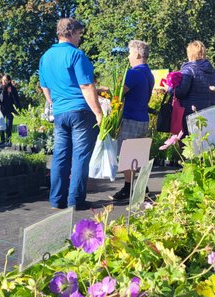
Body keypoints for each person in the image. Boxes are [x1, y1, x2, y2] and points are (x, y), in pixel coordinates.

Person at [39, 18, 103, 210]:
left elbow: (44, 87)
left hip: (60, 112)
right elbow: (85, 85)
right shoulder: (77, 55)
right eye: (79, 34)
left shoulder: (46, 57)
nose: (80, 39)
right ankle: (75, 201)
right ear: (72, 32)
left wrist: (55, 104)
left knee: (60, 155)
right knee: (80, 156)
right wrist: (98, 112)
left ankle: (56, 200)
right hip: (81, 112)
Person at [109, 40, 155, 201]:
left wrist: (101, 92)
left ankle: (128, 188)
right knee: (138, 154)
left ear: (137, 54)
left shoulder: (134, 73)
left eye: (129, 53)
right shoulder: (148, 74)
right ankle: (143, 187)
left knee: (126, 154)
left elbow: (119, 94)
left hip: (130, 118)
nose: (128, 57)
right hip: (142, 118)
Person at [174, 41, 215, 137]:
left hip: (192, 116)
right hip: (211, 115)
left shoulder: (188, 70)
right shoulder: (214, 73)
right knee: (209, 145)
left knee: (191, 146)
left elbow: (180, 93)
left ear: (189, 54)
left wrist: (170, 89)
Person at [0, 74, 20, 146]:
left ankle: (8, 140)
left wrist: (11, 93)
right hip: (1, 108)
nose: (4, 81)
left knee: (9, 125)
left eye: (5, 80)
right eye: (3, 80)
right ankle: (2, 140)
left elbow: (16, 100)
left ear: (9, 81)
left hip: (10, 108)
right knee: (1, 124)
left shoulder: (13, 89)